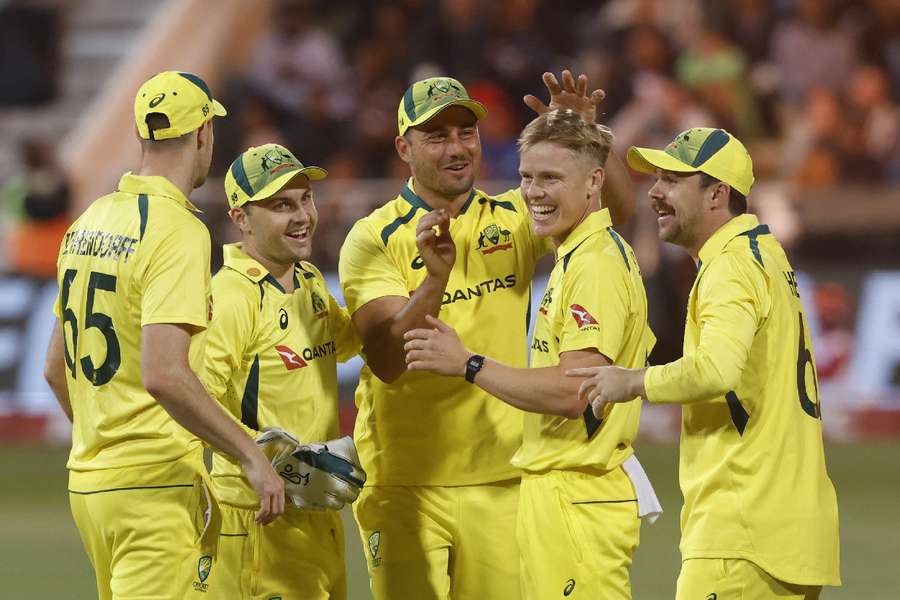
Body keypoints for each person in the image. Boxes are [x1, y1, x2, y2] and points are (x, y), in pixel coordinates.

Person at [337, 71, 634, 599]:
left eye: (465, 133)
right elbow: (384, 359)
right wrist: (434, 280)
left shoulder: (514, 216)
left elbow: (617, 211)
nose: (457, 148)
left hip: (502, 477)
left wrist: (584, 139)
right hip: (406, 481)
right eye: (437, 136)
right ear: (404, 147)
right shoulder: (373, 237)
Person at [42, 71, 284, 600]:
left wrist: (104, 447)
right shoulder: (177, 229)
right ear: (203, 134)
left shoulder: (89, 220)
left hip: (89, 486)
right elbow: (165, 375)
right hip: (156, 487)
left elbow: (54, 370)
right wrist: (250, 456)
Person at [570, 127, 841, 599]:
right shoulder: (765, 255)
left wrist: (631, 381)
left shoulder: (731, 267)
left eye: (673, 180)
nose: (655, 191)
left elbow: (717, 370)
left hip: (741, 530)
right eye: (656, 178)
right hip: (792, 526)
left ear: (717, 194)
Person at [402, 108, 661, 599]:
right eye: (526, 177)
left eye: (550, 178)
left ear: (594, 183)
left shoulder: (595, 266)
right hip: (561, 494)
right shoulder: (576, 256)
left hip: (579, 495)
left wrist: (469, 364)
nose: (534, 192)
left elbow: (576, 391)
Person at [202, 142, 362, 599]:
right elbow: (195, 400)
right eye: (280, 205)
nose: (302, 216)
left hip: (318, 510)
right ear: (241, 218)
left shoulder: (308, 279)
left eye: (305, 199)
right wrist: (255, 461)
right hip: (258, 521)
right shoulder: (231, 297)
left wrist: (428, 282)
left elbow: (353, 340)